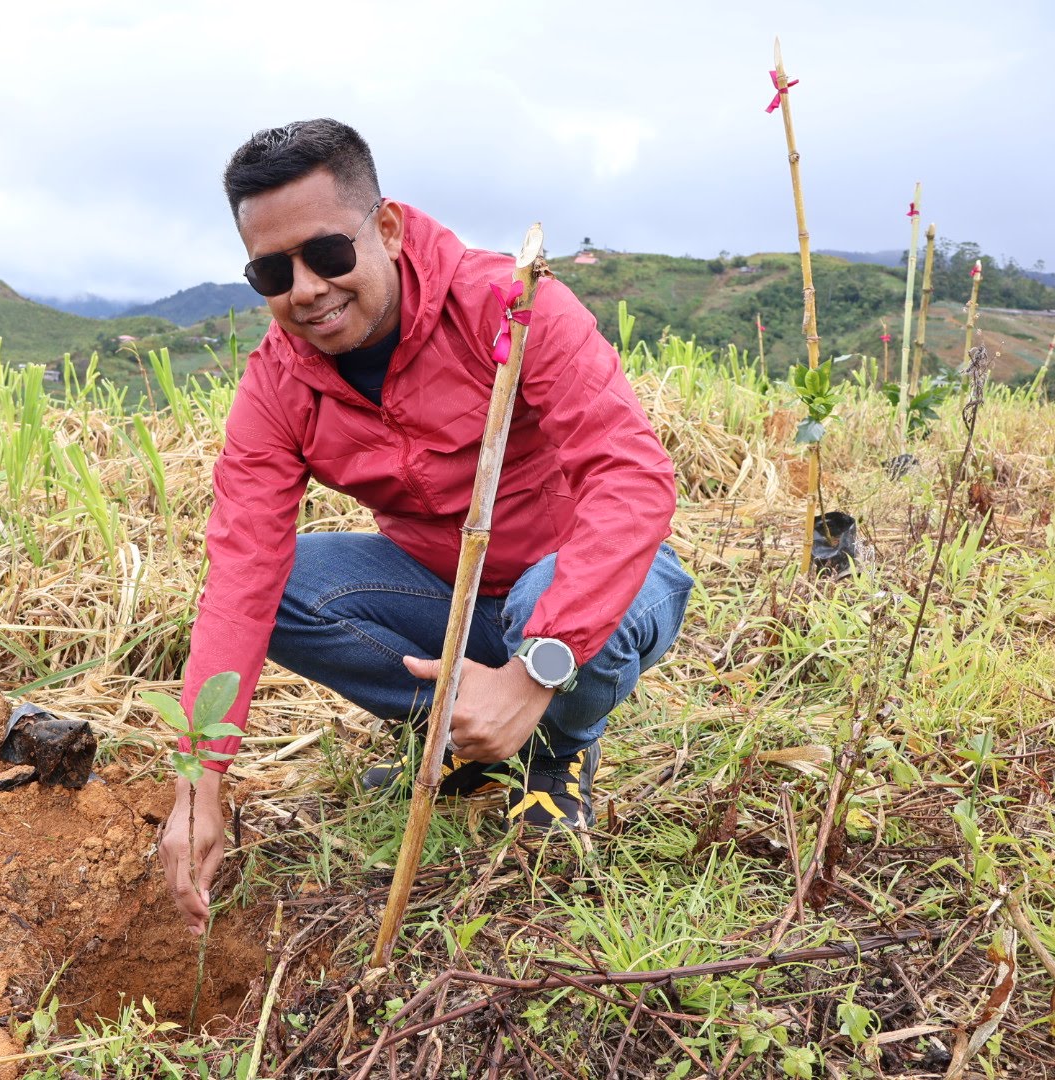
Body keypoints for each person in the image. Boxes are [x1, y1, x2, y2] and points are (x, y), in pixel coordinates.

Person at [158, 119, 693, 934]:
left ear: (386, 229)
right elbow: (242, 573)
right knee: (287, 588)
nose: (305, 289)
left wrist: (535, 670)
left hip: (590, 582)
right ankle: (466, 742)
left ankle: (554, 750)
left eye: (326, 253)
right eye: (272, 271)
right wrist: (200, 779)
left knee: (547, 605)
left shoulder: (512, 307)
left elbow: (631, 479)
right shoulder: (278, 384)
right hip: (448, 595)